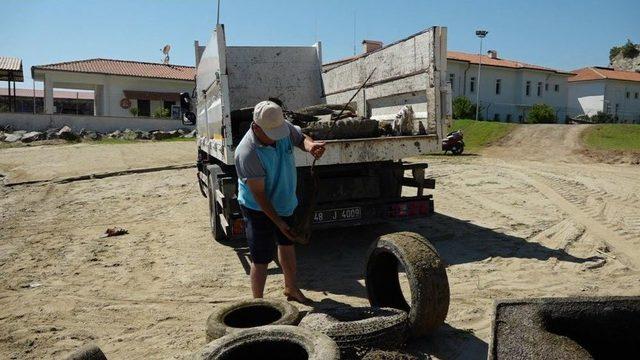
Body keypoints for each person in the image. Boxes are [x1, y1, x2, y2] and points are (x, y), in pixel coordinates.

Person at [234, 100, 326, 303]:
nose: (276, 137)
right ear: (256, 127)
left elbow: (300, 138)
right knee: (260, 257)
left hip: (285, 202)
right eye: (270, 133)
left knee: (287, 244)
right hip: (257, 207)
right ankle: (258, 302)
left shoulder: (282, 129)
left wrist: (311, 147)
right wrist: (279, 223)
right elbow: (259, 194)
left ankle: (291, 288)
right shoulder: (246, 152)